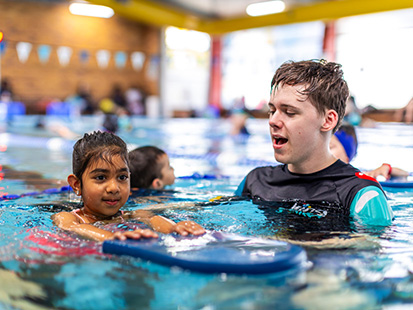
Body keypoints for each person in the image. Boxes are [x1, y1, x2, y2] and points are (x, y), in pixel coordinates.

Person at [235, 59, 393, 226]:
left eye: (289, 112)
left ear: (327, 120)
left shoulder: (360, 195)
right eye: (272, 111)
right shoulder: (255, 181)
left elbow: (369, 247)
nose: (273, 121)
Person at [52, 131, 204, 242]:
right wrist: (112, 237)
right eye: (100, 177)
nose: (114, 188)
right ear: (77, 185)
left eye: (122, 177)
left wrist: (175, 228)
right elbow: (72, 228)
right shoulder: (69, 217)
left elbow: (154, 219)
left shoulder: (131, 215)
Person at [330, 123, 409, 180]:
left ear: (346, 158)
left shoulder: (356, 176)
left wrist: (387, 169)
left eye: (330, 147)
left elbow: (405, 174)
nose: (325, 151)